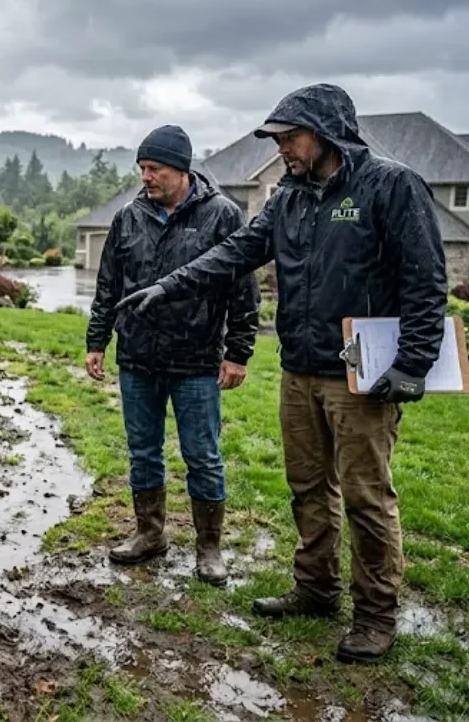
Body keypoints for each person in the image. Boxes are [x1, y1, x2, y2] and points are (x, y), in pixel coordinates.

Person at [115, 85, 448, 664]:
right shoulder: (290, 196)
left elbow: (426, 282)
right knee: (307, 487)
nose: (282, 149)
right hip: (300, 367)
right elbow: (237, 251)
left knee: (368, 498)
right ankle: (316, 590)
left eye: (289, 138)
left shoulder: (390, 186)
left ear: (325, 133)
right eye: (278, 139)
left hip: (362, 375)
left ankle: (375, 615)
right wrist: (170, 284)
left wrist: (413, 363)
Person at [85, 124, 260, 586]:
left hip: (196, 361)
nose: (146, 177)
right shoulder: (128, 218)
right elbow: (108, 286)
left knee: (202, 455)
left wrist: (238, 351)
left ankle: (209, 548)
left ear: (181, 170)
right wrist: (96, 341)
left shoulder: (221, 215)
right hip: (138, 357)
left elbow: (242, 286)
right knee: (143, 452)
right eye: (142, 168)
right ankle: (150, 534)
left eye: (155, 168)